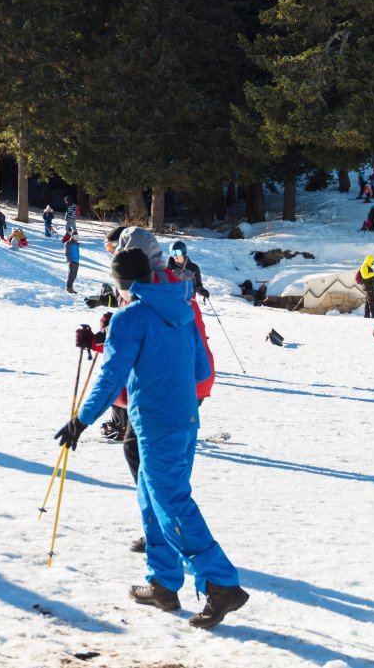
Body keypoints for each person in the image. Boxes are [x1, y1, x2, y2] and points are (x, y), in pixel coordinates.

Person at [55, 246, 247, 629]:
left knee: (170, 501)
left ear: (121, 283)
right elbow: (200, 367)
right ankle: (163, 582)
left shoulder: (131, 317)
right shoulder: (183, 309)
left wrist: (81, 420)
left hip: (158, 422)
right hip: (184, 417)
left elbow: (111, 378)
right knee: (151, 497)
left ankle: (222, 583)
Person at [358, 255, 374, 319]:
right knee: (372, 300)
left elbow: (369, 277)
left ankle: (366, 315)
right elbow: (365, 276)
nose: (373, 263)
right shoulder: (364, 266)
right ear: (369, 261)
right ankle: (373, 315)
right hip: (368, 286)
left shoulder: (367, 267)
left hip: (369, 285)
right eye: (372, 261)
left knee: (368, 301)